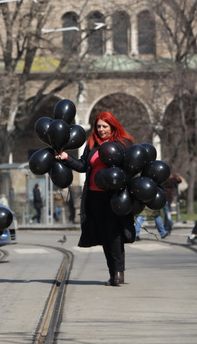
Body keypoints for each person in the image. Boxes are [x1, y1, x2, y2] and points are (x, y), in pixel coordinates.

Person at [57, 111, 137, 286]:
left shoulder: (122, 143)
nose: (101, 130)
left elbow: (130, 168)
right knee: (104, 236)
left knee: (114, 235)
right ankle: (112, 273)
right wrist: (67, 158)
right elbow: (84, 166)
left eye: (105, 126)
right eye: (98, 126)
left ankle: (118, 272)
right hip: (94, 196)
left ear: (113, 126)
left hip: (114, 197)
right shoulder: (92, 144)